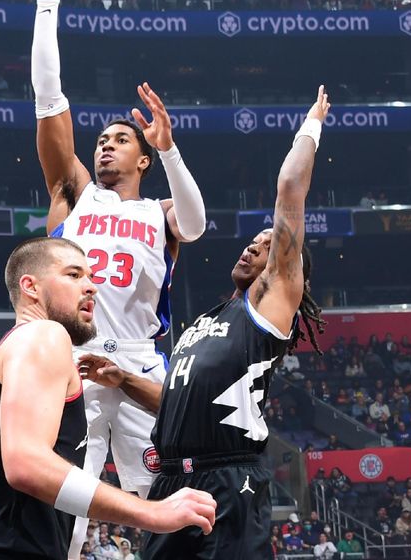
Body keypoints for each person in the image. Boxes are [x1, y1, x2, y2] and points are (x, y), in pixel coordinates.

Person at [80, 87, 331, 559]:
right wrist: (123, 380)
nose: (253, 248)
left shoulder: (268, 309)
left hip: (229, 476)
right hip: (175, 480)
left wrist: (311, 127)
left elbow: (290, 189)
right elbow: (178, 404)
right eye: (252, 243)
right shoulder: (204, 323)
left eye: (264, 246)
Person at [13, 0, 206, 554]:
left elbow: (196, 227)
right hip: (74, 359)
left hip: (143, 367)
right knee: (64, 508)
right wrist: (48, 5)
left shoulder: (160, 212)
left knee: (167, 503)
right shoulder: (74, 192)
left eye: (120, 139)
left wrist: (171, 150)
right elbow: (50, 101)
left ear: (143, 158)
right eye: (101, 140)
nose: (104, 144)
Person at [0, 238, 215, 560]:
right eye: (74, 275)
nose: (91, 288)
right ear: (30, 286)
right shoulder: (44, 335)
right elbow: (26, 464)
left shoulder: (8, 358)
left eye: (90, 277)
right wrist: (151, 513)